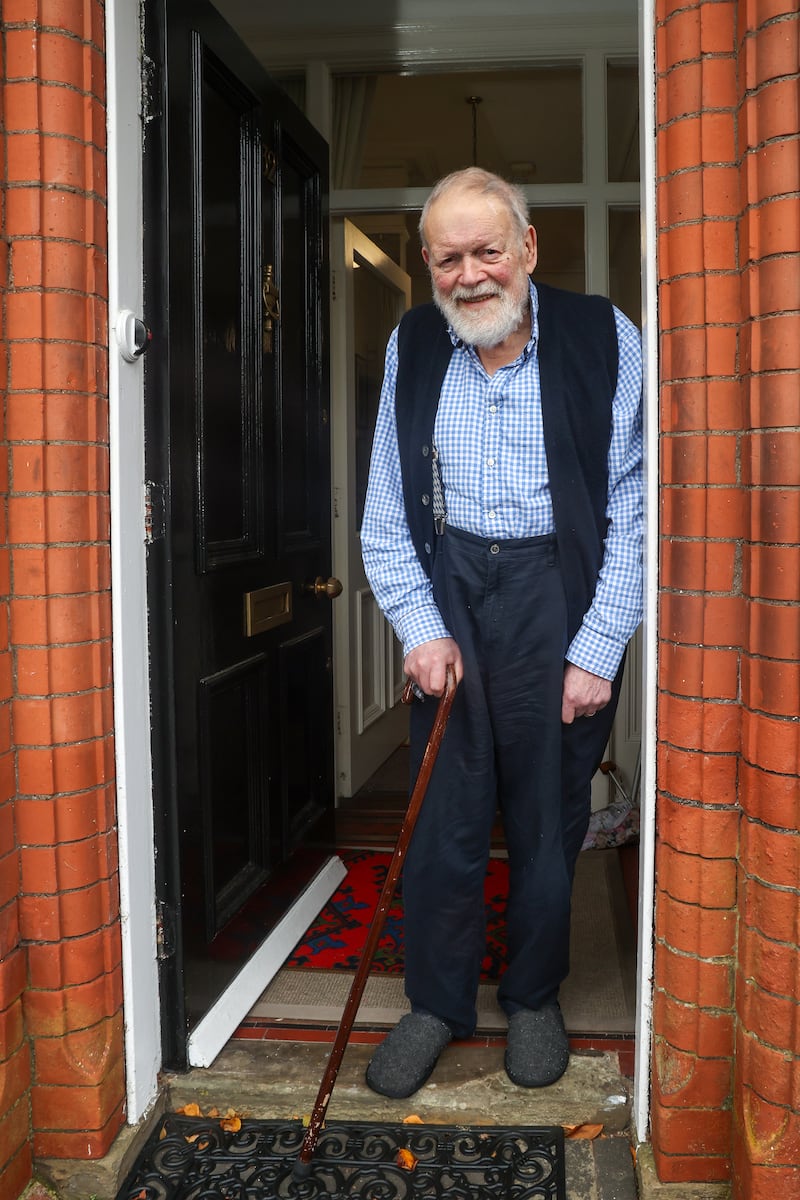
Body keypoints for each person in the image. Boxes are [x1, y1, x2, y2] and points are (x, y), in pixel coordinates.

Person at [360, 167, 643, 1099]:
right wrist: (418, 625)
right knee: (444, 812)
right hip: (452, 592)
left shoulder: (606, 337)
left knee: (546, 815)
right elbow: (385, 510)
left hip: (556, 594)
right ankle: (437, 1004)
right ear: (427, 263)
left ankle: (531, 996)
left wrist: (597, 648)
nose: (470, 275)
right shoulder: (413, 342)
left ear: (529, 248)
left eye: (489, 251)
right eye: (449, 257)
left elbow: (639, 506)